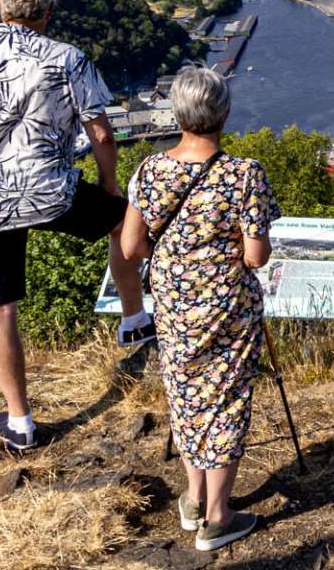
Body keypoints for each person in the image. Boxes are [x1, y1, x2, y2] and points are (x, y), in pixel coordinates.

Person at [0, 0, 154, 452]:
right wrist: (110, 185)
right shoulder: (66, 58)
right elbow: (102, 133)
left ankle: (20, 421)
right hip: (50, 191)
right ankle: (134, 321)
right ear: (48, 12)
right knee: (125, 222)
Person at [120, 66, 275, 553]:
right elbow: (255, 256)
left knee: (186, 397)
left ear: (177, 114)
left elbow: (131, 246)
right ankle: (218, 517)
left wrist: (177, 257)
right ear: (223, 113)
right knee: (226, 400)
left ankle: (192, 499)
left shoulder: (149, 170)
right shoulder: (244, 174)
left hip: (173, 304)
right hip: (228, 306)